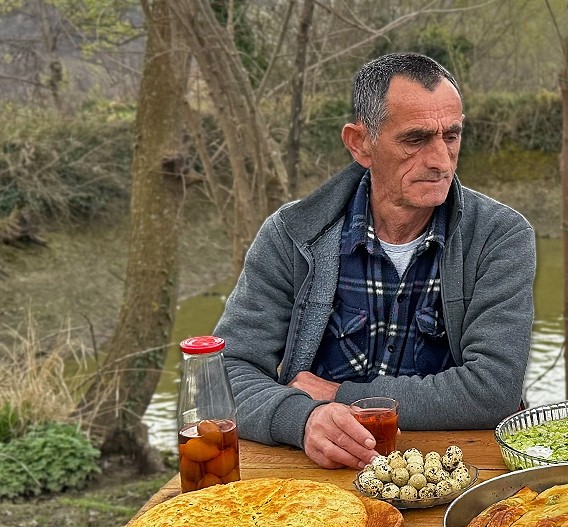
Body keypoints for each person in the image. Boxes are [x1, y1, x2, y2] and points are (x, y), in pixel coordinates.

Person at [213, 53, 536, 469]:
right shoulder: (292, 234)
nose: (441, 161)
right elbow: (227, 373)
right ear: (360, 143)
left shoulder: (499, 236)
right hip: (315, 475)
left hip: (453, 473)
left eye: (451, 136)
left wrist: (339, 396)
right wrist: (303, 418)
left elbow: (494, 390)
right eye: (416, 139)